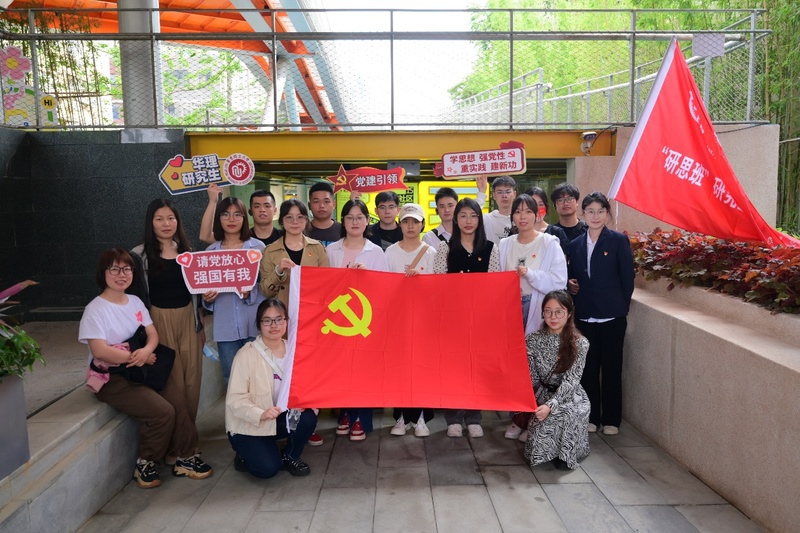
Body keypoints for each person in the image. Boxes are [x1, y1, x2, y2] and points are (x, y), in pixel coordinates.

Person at [79, 249, 213, 489]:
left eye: (127, 269)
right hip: (114, 376)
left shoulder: (135, 301)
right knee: (163, 412)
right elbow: (99, 351)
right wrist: (137, 356)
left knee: (179, 401)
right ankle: (146, 462)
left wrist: (146, 351)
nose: (121, 275)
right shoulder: (95, 309)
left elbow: (152, 334)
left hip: (143, 366)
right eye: (115, 269)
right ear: (103, 273)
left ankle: (186, 456)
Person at [499, 194, 568, 441]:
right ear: (512, 217)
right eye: (518, 212)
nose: (523, 216)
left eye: (528, 211)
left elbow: (559, 280)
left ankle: (533, 422)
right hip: (510, 310)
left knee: (537, 367)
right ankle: (517, 419)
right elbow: (497, 277)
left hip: (536, 309)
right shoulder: (505, 244)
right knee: (514, 367)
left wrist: (531, 274)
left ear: (538, 215)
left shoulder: (549, 243)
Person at [568, 191, 635, 436]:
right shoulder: (575, 244)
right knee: (587, 369)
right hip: (585, 315)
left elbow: (627, 278)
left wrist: (620, 307)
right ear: (583, 214)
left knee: (612, 369)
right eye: (590, 211)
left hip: (612, 317)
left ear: (607, 213)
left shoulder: (618, 240)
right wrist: (570, 285)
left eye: (600, 211)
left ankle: (611, 419)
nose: (595, 216)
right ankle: (591, 417)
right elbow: (572, 277)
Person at [226, 298, 317, 478]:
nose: (274, 325)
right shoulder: (246, 355)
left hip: (278, 418)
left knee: (307, 417)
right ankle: (243, 453)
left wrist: (304, 401)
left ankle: (290, 456)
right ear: (259, 324)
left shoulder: (295, 350)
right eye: (267, 320)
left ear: (286, 322)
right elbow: (235, 399)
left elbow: (307, 384)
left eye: (279, 319)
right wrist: (261, 413)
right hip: (251, 423)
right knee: (267, 470)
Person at [131, 199, 204, 421]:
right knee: (173, 380)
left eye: (171, 218)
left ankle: (189, 434)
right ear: (150, 222)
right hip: (157, 321)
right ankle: (177, 436)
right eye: (159, 219)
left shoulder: (188, 253)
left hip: (188, 319)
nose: (166, 224)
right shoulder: (139, 256)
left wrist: (200, 324)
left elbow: (196, 292)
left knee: (192, 379)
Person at [433, 198, 500, 438]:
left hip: (480, 320)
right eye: (463, 215)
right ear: (455, 219)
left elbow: (494, 286)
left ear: (479, 219)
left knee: (475, 368)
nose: (468, 221)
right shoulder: (445, 248)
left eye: (473, 216)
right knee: (453, 368)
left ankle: (473, 417)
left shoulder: (491, 248)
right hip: (452, 321)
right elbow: (438, 285)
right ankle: (453, 417)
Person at [326, 199, 389, 441]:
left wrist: (367, 278)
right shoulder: (331, 250)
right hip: (338, 322)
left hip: (366, 321)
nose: (355, 222)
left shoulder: (376, 251)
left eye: (359, 217)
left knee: (363, 372)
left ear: (367, 221)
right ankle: (345, 414)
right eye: (350, 217)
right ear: (342, 221)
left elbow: (385, 288)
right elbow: (324, 287)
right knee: (341, 371)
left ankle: (361, 418)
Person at [384, 203, 438, 437]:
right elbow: (382, 285)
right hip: (398, 319)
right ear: (399, 224)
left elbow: (438, 287)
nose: (410, 226)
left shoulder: (431, 252)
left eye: (415, 221)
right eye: (406, 221)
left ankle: (422, 417)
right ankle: (402, 417)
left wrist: (421, 281)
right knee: (400, 368)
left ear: (422, 224)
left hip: (424, 320)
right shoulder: (390, 252)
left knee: (423, 367)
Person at [201, 197, 266, 383]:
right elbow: (205, 289)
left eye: (237, 214)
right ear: (219, 218)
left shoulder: (258, 248)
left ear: (245, 218)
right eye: (225, 214)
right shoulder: (211, 252)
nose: (231, 219)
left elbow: (266, 286)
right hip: (225, 327)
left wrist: (251, 292)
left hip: (253, 323)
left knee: (260, 377)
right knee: (232, 378)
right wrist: (207, 298)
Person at [524, 290, 590, 470]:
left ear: (569, 313)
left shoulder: (580, 343)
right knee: (537, 444)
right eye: (548, 311)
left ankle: (567, 456)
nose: (553, 317)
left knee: (568, 414)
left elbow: (571, 381)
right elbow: (531, 377)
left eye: (559, 312)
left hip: (571, 396)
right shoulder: (532, 340)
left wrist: (550, 406)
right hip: (544, 393)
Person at [259, 199, 329, 310]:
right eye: (289, 217)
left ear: (306, 220)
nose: (295, 222)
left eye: (300, 217)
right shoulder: (270, 251)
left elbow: (327, 284)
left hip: (311, 310)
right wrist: (278, 272)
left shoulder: (317, 248)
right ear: (281, 220)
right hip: (282, 313)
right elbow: (265, 292)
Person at [422, 176, 487, 249]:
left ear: (457, 207)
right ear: (437, 209)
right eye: (442, 206)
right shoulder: (429, 238)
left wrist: (482, 191)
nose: (447, 210)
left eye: (450, 205)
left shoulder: (467, 231)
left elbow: (474, 209)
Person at [524, 186, 570, 255]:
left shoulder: (556, 232)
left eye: (541, 204)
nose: (537, 209)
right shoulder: (517, 232)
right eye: (532, 204)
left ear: (546, 207)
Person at [483, 176, 517, 244]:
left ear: (514, 194)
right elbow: (472, 213)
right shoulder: (487, 219)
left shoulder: (521, 219)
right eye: (500, 192)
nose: (504, 196)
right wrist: (482, 192)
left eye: (508, 192)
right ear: (494, 195)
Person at [306, 181, 342, 247]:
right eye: (316, 201)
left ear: (334, 204)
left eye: (326, 201)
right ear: (309, 205)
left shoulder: (344, 231)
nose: (321, 206)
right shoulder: (303, 231)